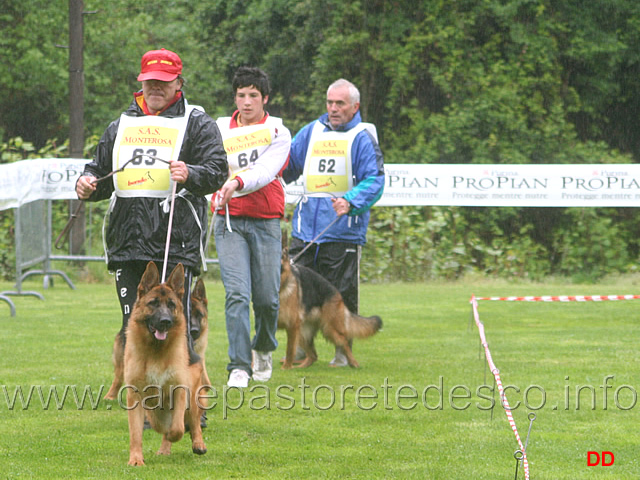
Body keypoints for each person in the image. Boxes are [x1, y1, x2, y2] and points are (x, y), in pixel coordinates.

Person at [76, 48, 228, 389]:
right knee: (136, 323)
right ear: (141, 83)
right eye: (149, 82)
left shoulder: (197, 122)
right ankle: (144, 403)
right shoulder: (122, 123)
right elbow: (99, 172)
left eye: (163, 81)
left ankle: (191, 404)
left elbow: (217, 170)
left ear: (179, 83)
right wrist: (85, 184)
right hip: (128, 240)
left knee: (176, 324)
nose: (155, 88)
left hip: (177, 239)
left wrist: (191, 172)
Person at [282, 78, 384, 367]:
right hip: (306, 230)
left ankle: (342, 351)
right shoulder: (311, 131)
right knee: (297, 296)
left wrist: (350, 201)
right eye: (330, 102)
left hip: (342, 231)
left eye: (340, 103)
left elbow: (375, 179)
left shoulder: (362, 137)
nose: (333, 108)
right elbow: (286, 166)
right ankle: (301, 350)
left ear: (355, 106)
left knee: (341, 294)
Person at [213, 66, 291, 388]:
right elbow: (208, 166)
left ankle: (263, 348)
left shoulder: (278, 132)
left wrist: (237, 181)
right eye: (241, 95)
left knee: (267, 299)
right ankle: (239, 366)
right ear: (235, 97)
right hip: (229, 220)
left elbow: (265, 171)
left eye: (253, 96)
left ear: (265, 99)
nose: (247, 102)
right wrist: (213, 191)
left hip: (266, 221)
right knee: (236, 295)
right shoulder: (218, 129)